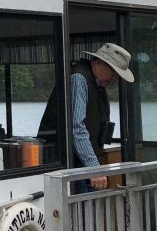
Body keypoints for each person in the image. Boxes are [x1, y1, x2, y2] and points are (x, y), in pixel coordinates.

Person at [39, 42, 133, 191]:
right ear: (98, 63)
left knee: (87, 210)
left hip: (79, 163)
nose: (115, 78)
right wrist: (94, 168)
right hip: (67, 164)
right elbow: (76, 127)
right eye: (114, 72)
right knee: (82, 212)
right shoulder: (79, 78)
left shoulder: (95, 82)